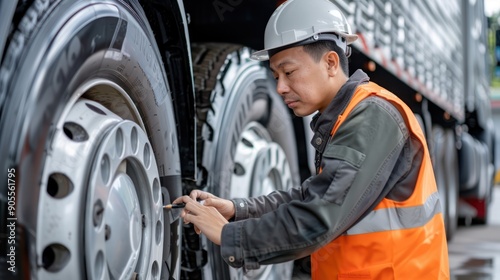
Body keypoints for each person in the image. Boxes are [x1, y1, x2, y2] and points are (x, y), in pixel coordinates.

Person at [173, 0, 450, 278]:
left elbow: (318, 216)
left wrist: (228, 234)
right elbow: (313, 195)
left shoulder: (372, 117)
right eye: (276, 76)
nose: (280, 87)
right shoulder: (346, 116)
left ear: (330, 62)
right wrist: (237, 210)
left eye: (289, 72)